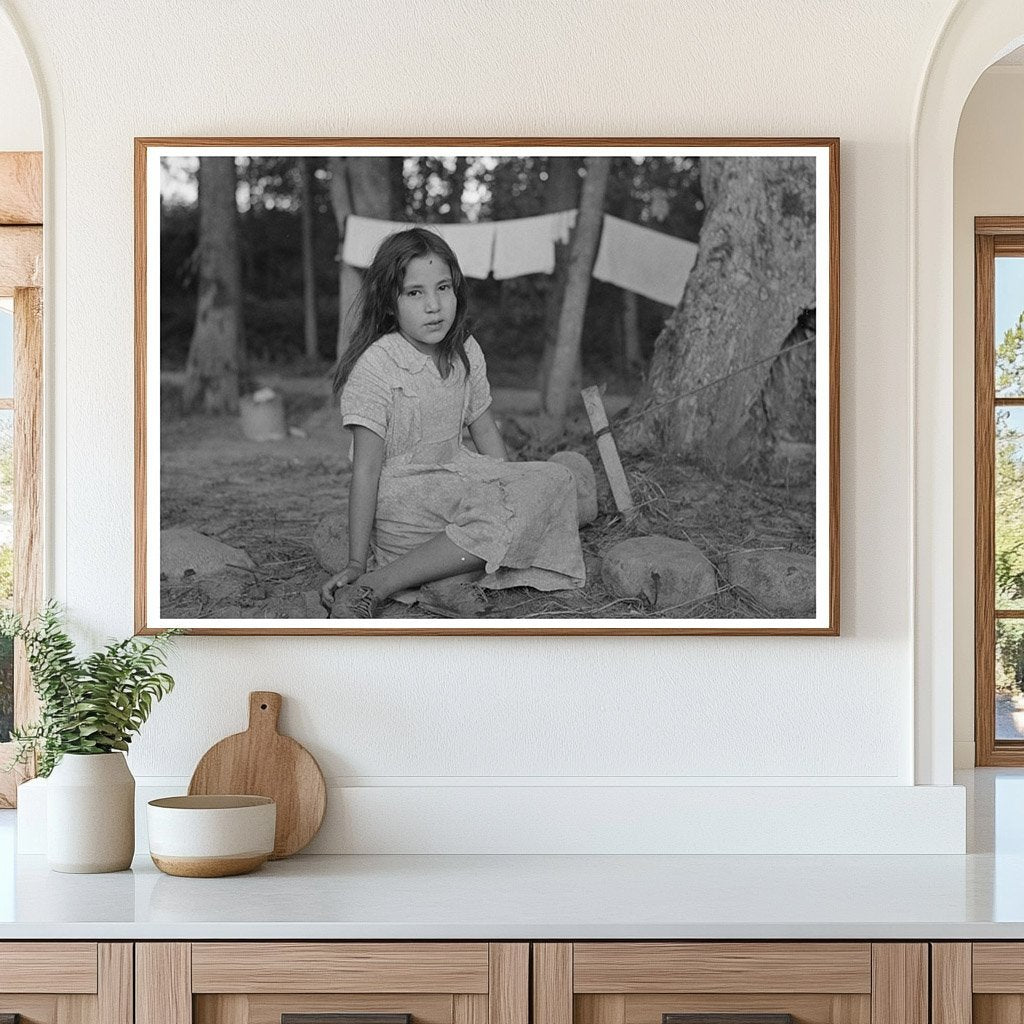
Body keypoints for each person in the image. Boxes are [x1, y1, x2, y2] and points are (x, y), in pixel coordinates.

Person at [320, 227, 586, 619]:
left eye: (443, 288)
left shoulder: (464, 351)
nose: (434, 306)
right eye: (415, 293)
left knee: (559, 479)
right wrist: (357, 561)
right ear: (390, 303)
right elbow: (366, 470)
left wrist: (513, 489)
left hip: (459, 487)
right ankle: (376, 584)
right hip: (407, 502)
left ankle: (444, 575)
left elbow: (484, 431)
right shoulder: (377, 366)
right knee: (521, 506)